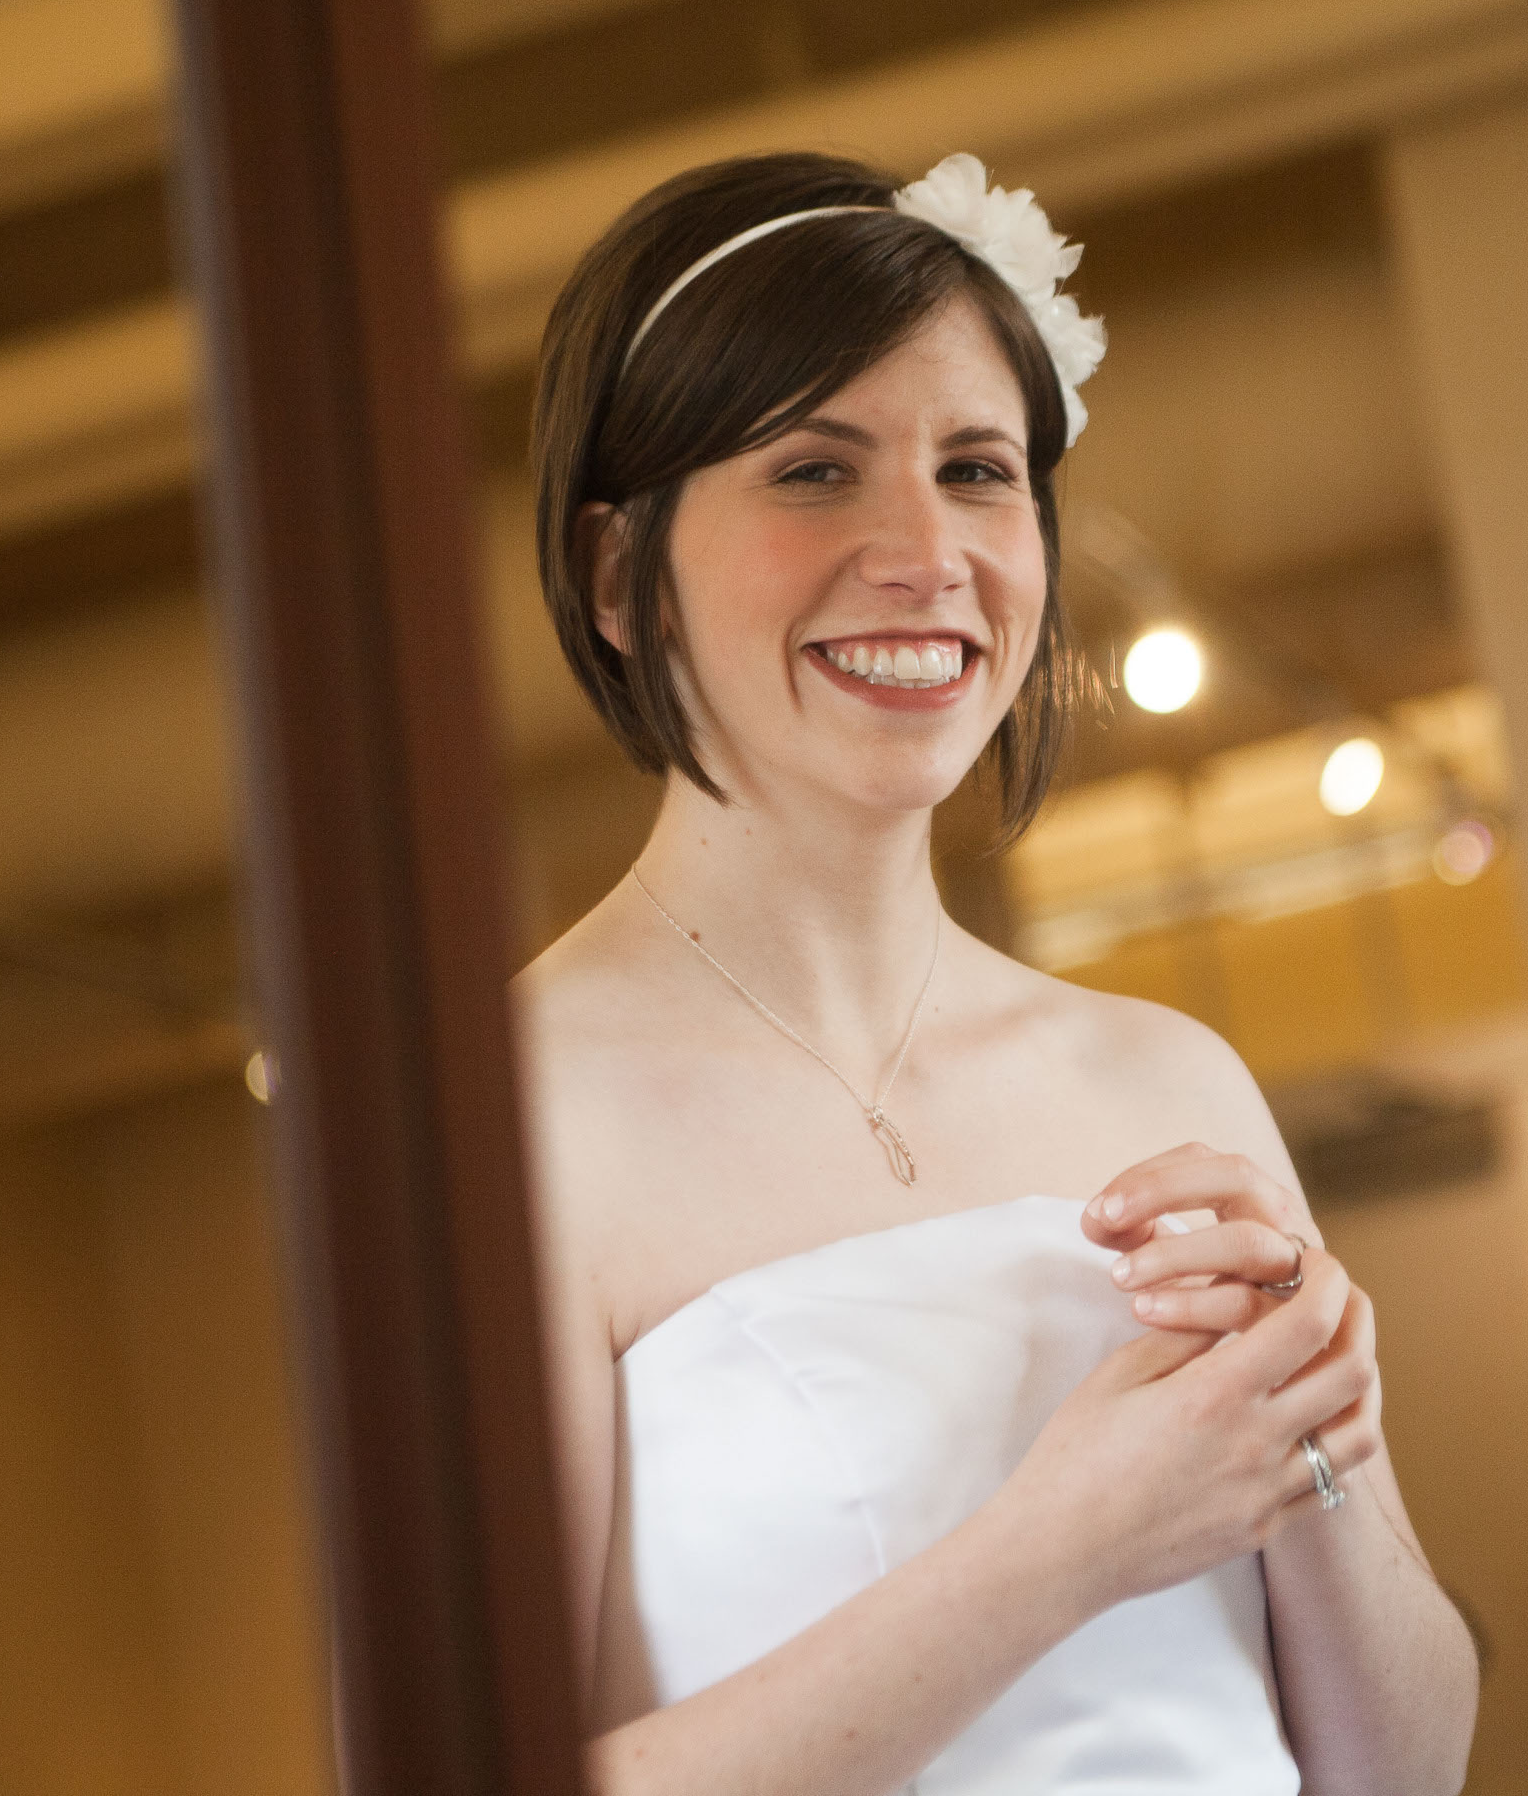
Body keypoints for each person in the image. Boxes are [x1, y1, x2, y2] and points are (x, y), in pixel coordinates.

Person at [513, 149, 1478, 1794]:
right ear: (619, 574)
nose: (926, 550)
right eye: (816, 472)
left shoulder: (1167, 1079)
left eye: (977, 468)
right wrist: (1063, 1547)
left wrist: (1319, 1438)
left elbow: (1402, 1773)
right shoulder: (510, 1114)